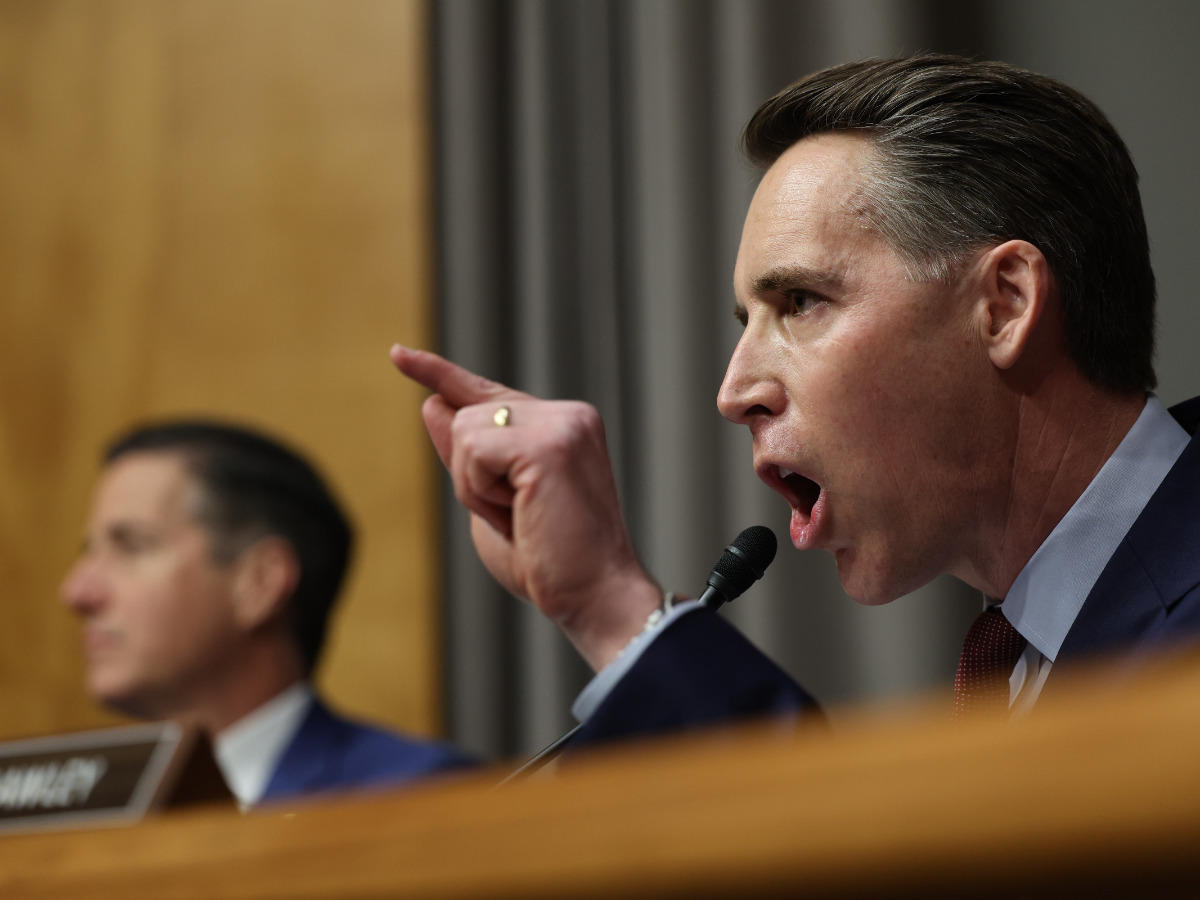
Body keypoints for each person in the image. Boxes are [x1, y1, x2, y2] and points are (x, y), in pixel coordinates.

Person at [392, 53, 1200, 748]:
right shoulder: (1022, 657)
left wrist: (612, 606)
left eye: (801, 302)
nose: (733, 393)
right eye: (747, 320)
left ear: (1005, 305)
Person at [61, 420, 473, 805]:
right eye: (89, 552)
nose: (77, 593)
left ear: (259, 583)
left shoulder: (416, 795)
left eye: (132, 547)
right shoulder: (79, 808)